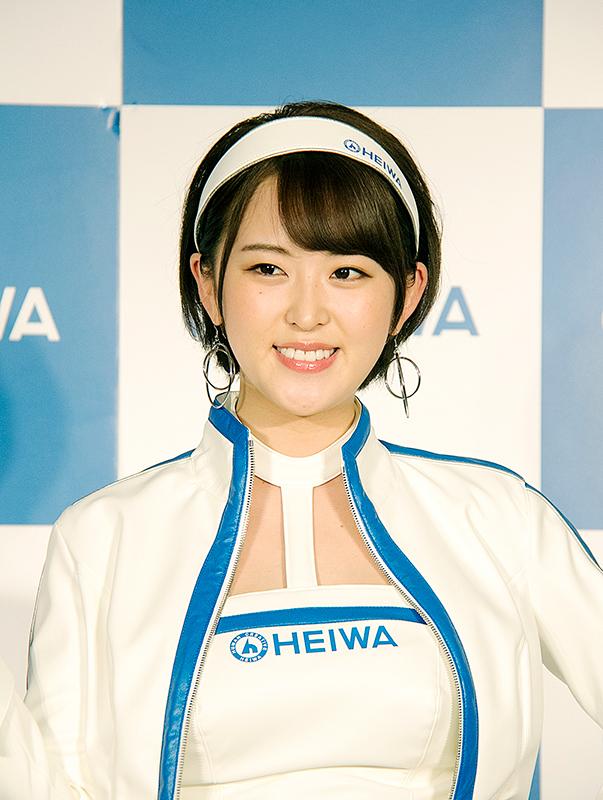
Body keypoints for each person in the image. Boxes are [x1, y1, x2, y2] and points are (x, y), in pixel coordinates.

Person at [0, 100, 601, 800]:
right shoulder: (103, 536)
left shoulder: (499, 518)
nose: (307, 314)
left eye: (347, 273)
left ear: (407, 294)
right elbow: (52, 783)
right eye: (267, 268)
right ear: (208, 283)